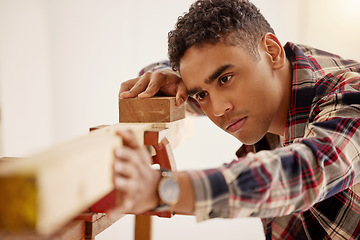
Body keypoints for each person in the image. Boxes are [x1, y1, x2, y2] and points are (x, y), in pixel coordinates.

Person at [114, 0, 360, 239]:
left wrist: (164, 189)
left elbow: (305, 170)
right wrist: (163, 75)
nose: (219, 109)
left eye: (225, 79)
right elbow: (157, 79)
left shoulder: (351, 94)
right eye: (201, 94)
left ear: (272, 52)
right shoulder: (276, 74)